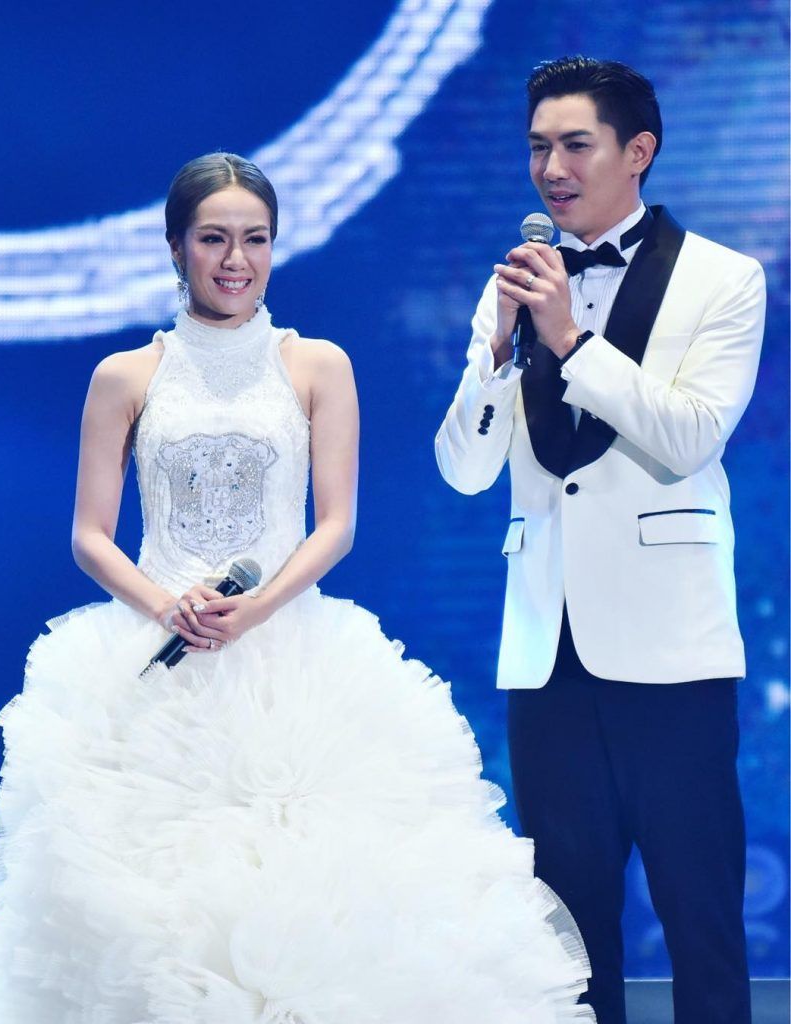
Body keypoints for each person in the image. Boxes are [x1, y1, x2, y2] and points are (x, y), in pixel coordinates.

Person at [0, 152, 596, 1023]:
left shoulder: (317, 365)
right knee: (146, 907)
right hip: (155, 654)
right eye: (213, 239)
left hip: (293, 656)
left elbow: (335, 524)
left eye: (255, 239)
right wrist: (167, 605)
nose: (236, 260)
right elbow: (89, 536)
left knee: (320, 899)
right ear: (175, 247)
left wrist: (257, 609)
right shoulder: (125, 376)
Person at [436, 56, 765, 1024]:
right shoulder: (513, 286)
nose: (552, 168)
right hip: (548, 646)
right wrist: (499, 350)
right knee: (566, 929)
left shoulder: (723, 278)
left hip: (671, 647)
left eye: (576, 144)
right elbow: (462, 470)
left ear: (638, 150)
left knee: (700, 913)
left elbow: (689, 436)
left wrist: (572, 342)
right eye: (538, 147)